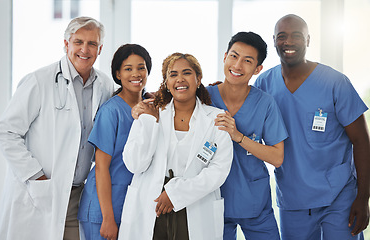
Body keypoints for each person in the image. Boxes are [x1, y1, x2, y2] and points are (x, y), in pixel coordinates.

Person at [0, 16, 114, 240]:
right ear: (66, 44)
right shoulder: (39, 81)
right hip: (39, 193)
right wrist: (37, 177)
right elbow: (7, 132)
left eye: (92, 44)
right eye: (78, 42)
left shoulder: (105, 85)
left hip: (78, 195)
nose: (84, 49)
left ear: (100, 49)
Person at [254, 14, 370, 240]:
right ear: (274, 41)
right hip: (293, 198)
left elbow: (361, 141)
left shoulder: (335, 82)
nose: (288, 42)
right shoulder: (264, 84)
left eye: (296, 36)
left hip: (340, 197)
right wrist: (217, 92)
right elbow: (241, 116)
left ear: (308, 40)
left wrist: (363, 197)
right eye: (282, 36)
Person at [117, 53, 233, 240]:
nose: (180, 79)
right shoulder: (150, 112)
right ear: (166, 82)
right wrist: (149, 122)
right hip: (152, 201)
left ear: (198, 79)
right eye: (173, 74)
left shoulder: (216, 119)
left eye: (186, 73)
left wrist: (175, 194)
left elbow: (219, 170)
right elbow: (134, 164)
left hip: (195, 201)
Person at [207, 31, 288, 240]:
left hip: (254, 202)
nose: (237, 65)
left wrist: (238, 136)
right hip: (212, 200)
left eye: (247, 60)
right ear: (224, 57)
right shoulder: (204, 97)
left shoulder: (265, 103)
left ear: (257, 69)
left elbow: (277, 157)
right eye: (234, 56)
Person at [77, 43, 152, 240]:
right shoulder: (111, 111)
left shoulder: (150, 106)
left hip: (130, 205)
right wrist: (107, 218)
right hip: (103, 209)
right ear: (118, 74)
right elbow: (101, 167)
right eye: (128, 69)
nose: (135, 74)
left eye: (141, 67)